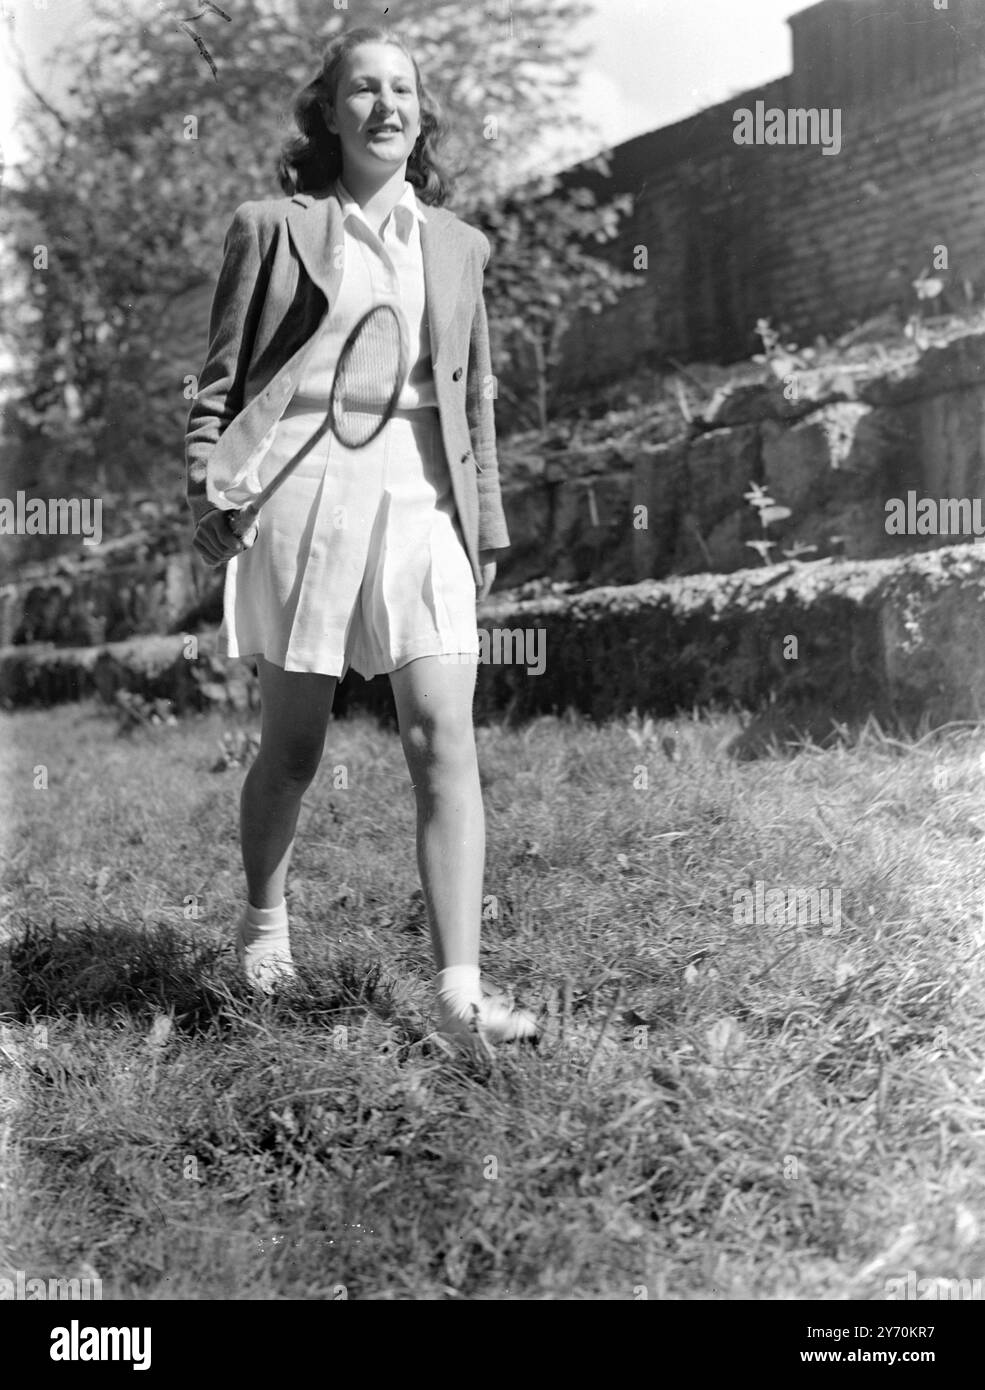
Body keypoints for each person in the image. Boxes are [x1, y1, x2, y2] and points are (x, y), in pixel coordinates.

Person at [184, 25, 537, 1055]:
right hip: (301, 489)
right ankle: (265, 927)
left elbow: (473, 400)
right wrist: (208, 482)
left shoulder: (461, 247)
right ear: (327, 113)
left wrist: (490, 522)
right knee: (294, 747)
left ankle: (458, 992)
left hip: (423, 493)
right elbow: (219, 377)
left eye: (404, 91)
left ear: (421, 115)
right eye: (363, 90)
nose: (386, 106)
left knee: (443, 736)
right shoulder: (271, 226)